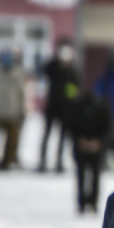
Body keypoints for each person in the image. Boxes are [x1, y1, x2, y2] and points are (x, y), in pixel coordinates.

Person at [38, 38, 80, 173]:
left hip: (65, 108)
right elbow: (43, 72)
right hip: (52, 105)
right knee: (47, 133)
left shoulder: (72, 70)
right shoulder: (52, 67)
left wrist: (71, 102)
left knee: (63, 136)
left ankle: (59, 161)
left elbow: (75, 89)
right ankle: (42, 160)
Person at [68, 90, 110, 214]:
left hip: (96, 146)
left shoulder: (101, 108)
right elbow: (71, 126)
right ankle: (82, 202)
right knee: (82, 174)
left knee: (95, 174)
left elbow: (106, 127)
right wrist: (80, 140)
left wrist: (98, 142)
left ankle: (93, 202)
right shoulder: (78, 107)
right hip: (82, 146)